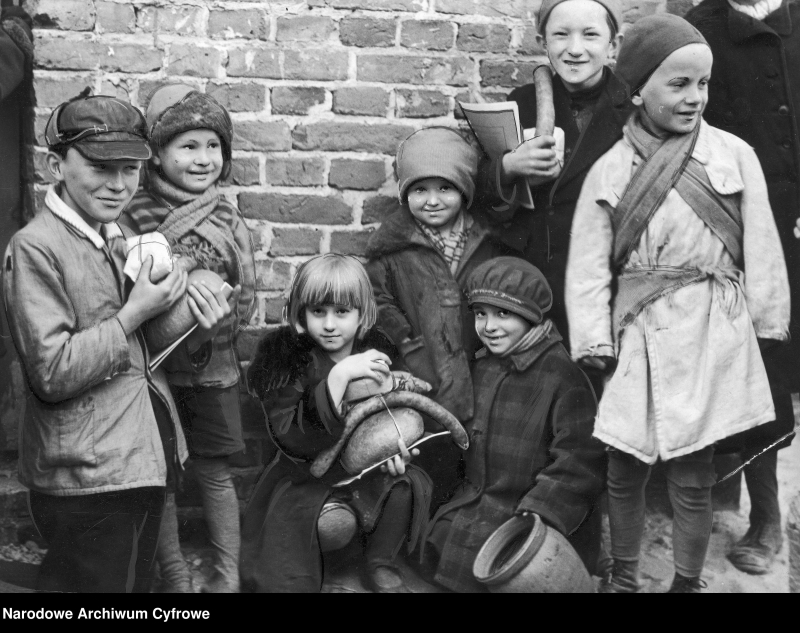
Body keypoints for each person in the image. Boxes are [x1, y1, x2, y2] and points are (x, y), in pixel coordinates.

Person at [566, 14, 791, 593]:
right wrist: (594, 340)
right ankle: (624, 576)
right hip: (638, 333)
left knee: (694, 474)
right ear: (637, 89)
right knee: (624, 467)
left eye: (704, 84)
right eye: (679, 84)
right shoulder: (611, 169)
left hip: (712, 331)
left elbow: (763, 244)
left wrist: (768, 324)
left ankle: (687, 582)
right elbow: (589, 267)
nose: (695, 98)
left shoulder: (733, 155)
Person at [2, 95, 193, 593]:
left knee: (131, 588)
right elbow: (52, 371)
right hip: (86, 477)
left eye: (130, 169)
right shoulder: (35, 247)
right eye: (100, 167)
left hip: (136, 456)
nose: (118, 184)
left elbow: (138, 350)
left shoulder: (115, 232)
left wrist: (188, 314)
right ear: (55, 165)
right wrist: (136, 312)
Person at [121, 84, 255, 593]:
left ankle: (227, 575)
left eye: (213, 147)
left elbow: (245, 293)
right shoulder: (136, 213)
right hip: (153, 372)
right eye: (188, 146)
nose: (204, 160)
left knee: (215, 471)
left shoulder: (227, 216)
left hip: (215, 365)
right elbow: (125, 291)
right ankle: (174, 575)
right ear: (156, 153)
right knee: (161, 477)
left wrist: (219, 319)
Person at [685, 0, 800, 577]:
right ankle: (762, 512)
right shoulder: (700, 28)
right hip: (734, 226)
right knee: (754, 363)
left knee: (786, 362)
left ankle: (773, 511)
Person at [241, 254, 434, 593]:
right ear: (302, 313)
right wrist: (340, 376)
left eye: (342, 312)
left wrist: (393, 448)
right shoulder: (291, 359)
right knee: (330, 526)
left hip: (364, 470)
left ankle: (379, 560)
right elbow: (291, 435)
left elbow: (387, 417)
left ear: (362, 315)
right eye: (319, 312)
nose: (329, 324)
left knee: (406, 484)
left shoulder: (376, 354)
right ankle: (326, 557)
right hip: (308, 474)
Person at [425, 257, 606, 593]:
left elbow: (579, 461)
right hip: (478, 499)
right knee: (431, 540)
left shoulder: (564, 377)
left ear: (532, 315)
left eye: (503, 314)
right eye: (481, 313)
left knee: (509, 569)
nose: (489, 326)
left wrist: (537, 513)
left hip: (527, 514)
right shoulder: (485, 366)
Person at [366, 126, 513, 504]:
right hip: (419, 365)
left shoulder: (485, 244)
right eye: (419, 190)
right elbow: (379, 301)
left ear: (464, 191)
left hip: (477, 368)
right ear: (405, 194)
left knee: (470, 458)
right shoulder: (393, 248)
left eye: (444, 188)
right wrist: (407, 342)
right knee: (423, 453)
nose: (432, 200)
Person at [477, 0, 631, 349]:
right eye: (561, 35)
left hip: (604, 284)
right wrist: (509, 168)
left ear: (614, 45)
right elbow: (480, 189)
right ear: (543, 41)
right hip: (536, 280)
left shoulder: (634, 110)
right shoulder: (523, 101)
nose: (575, 49)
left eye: (590, 35)